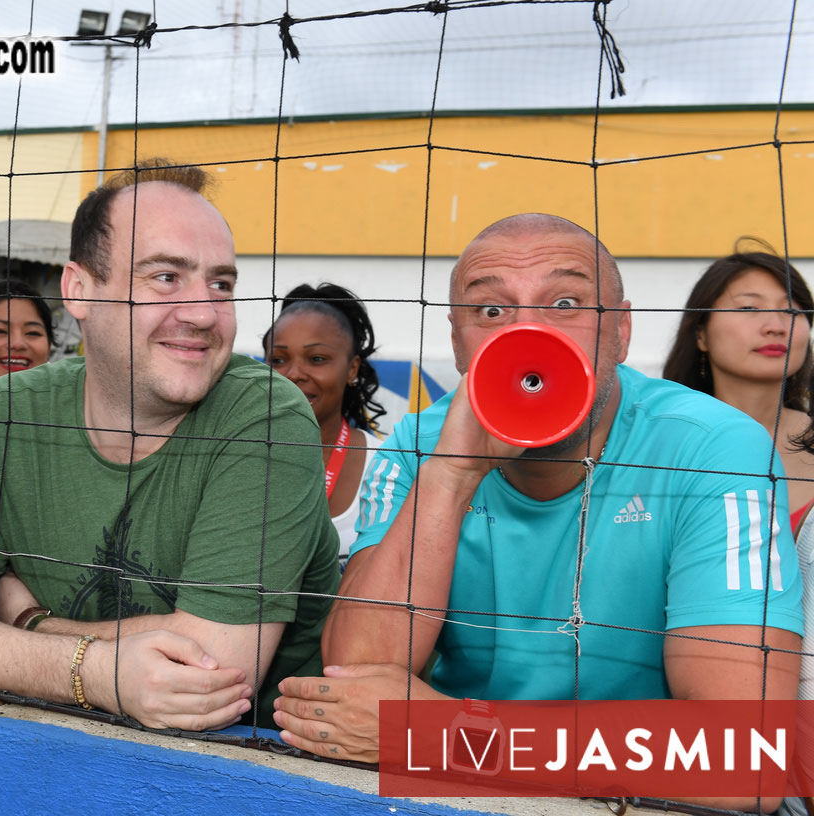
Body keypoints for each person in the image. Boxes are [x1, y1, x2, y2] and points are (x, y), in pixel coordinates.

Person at [275, 214, 802, 810]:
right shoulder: (419, 445)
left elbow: (745, 762)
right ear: (457, 340)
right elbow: (355, 693)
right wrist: (450, 476)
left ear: (621, 332)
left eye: (566, 302)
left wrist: (448, 733)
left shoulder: (713, 448)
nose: (527, 334)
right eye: (491, 311)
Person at [0, 160, 339, 731]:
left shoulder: (265, 414)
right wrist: (100, 672)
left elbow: (210, 676)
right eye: (166, 277)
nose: (205, 313)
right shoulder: (2, 416)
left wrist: (31, 622)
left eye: (222, 284)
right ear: (79, 290)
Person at [662, 247, 814, 532]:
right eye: (749, 308)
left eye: (792, 310)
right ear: (701, 334)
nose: (776, 326)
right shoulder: (655, 446)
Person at [263, 283, 385, 562]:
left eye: (316, 358)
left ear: (352, 368)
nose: (293, 374)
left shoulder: (385, 464)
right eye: (278, 359)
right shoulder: (235, 455)